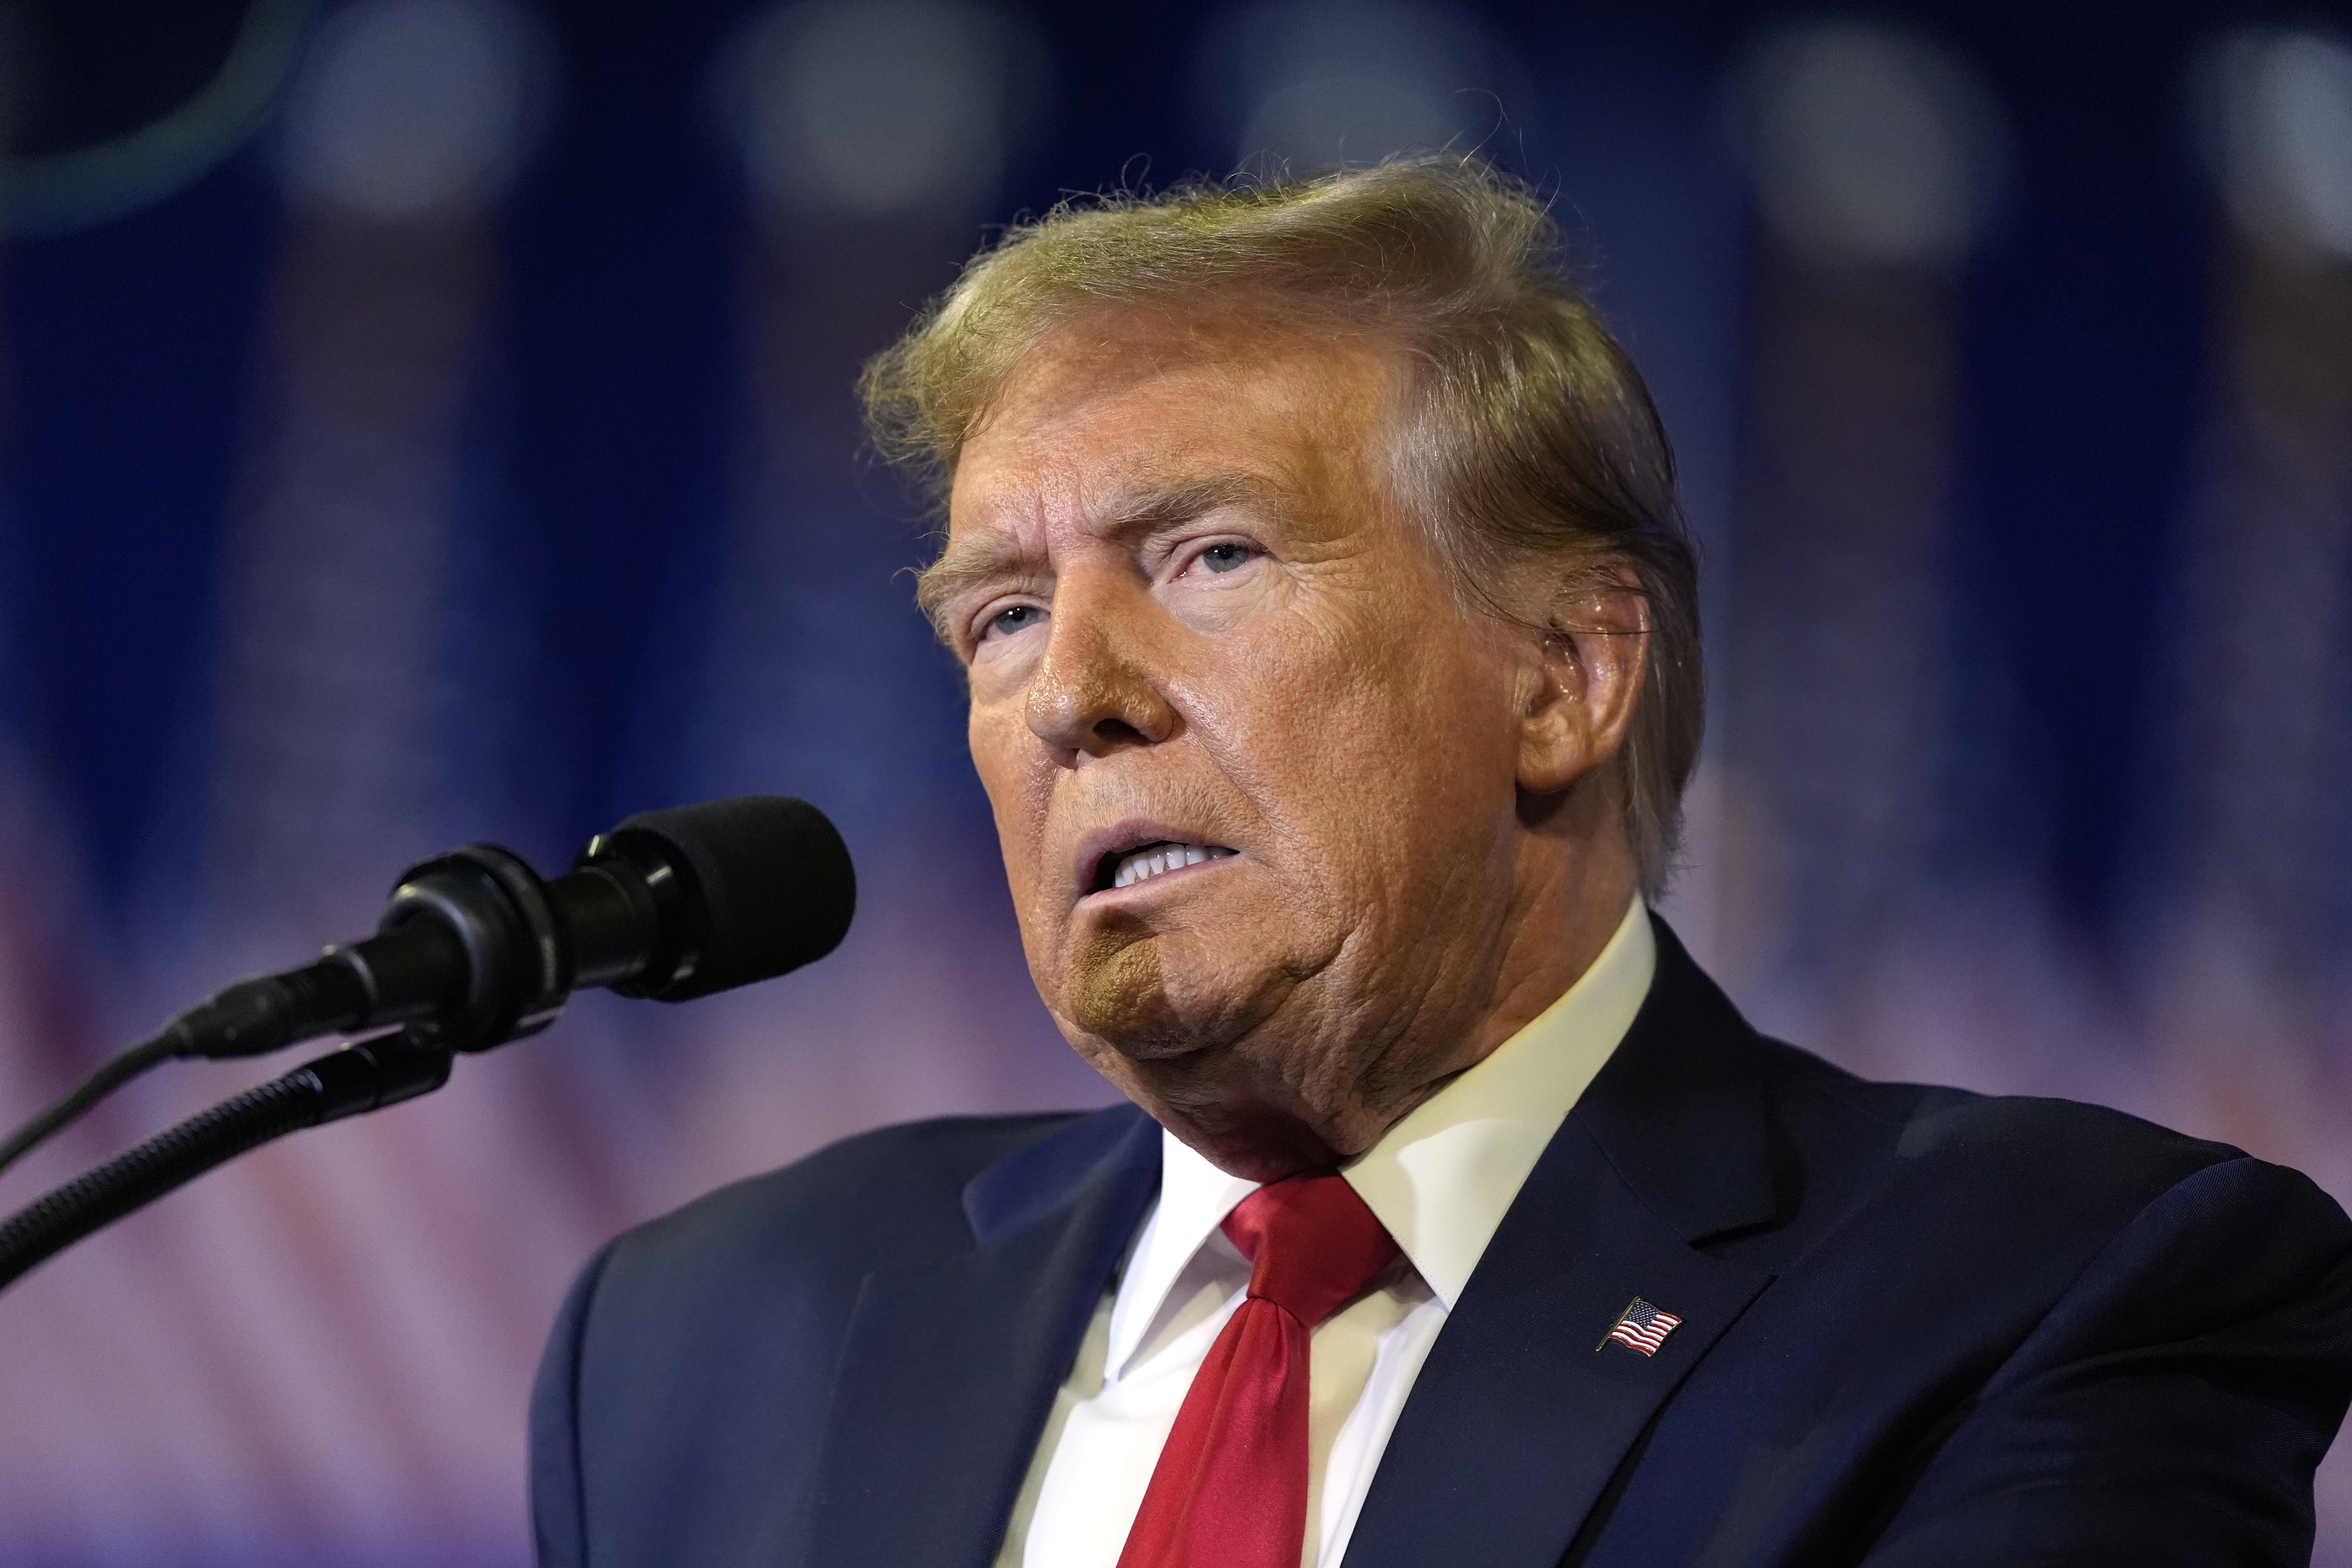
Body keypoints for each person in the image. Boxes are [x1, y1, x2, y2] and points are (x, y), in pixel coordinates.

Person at [527, 158, 2352, 1568]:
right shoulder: (698, 1341)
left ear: (1561, 677)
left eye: (1210, 557)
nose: (1070, 693)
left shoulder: (2028, 1293)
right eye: (1002, 613)